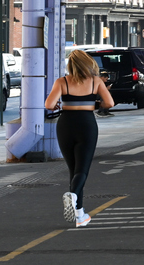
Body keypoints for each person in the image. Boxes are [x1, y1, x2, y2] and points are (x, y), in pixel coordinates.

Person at [45, 49, 115, 228]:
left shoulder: (62, 82)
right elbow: (109, 103)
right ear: (88, 63)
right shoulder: (95, 81)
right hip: (86, 124)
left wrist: (62, 103)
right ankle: (74, 196)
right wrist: (95, 103)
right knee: (82, 170)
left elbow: (49, 105)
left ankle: (80, 214)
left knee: (73, 169)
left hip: (65, 124)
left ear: (71, 65)